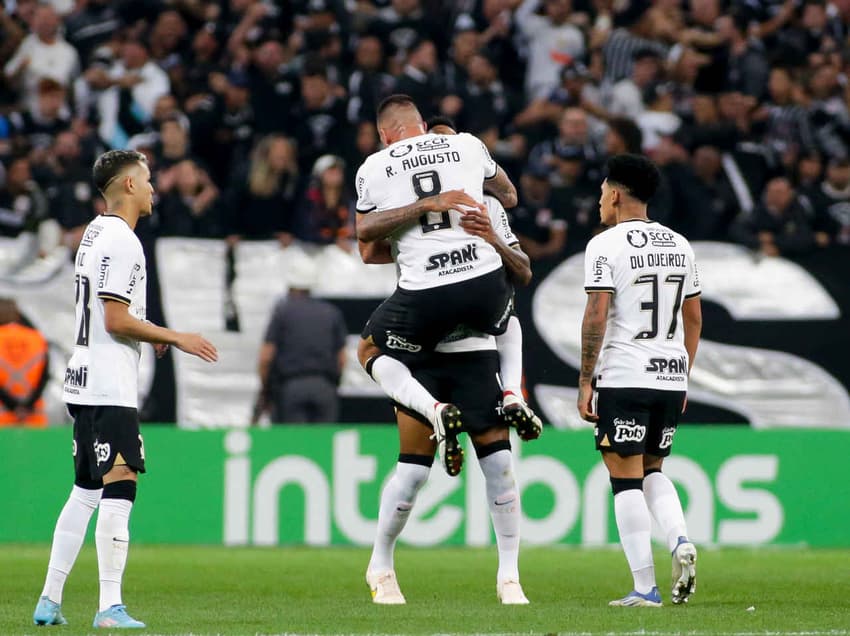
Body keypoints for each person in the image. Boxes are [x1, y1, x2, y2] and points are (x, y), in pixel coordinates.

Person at [33, 149, 218, 628]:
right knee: (121, 485)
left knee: (85, 491)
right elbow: (115, 319)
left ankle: (50, 600)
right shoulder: (123, 241)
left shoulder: (94, 232)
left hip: (84, 374)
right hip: (109, 382)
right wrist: (175, 336)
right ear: (130, 186)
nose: (155, 188)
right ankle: (108, 607)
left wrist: (147, 328)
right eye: (149, 179)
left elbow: (109, 313)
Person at [358, 156, 535, 605]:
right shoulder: (403, 204)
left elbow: (523, 271)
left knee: (499, 465)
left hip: (474, 350)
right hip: (423, 353)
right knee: (414, 471)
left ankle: (510, 577)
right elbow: (367, 249)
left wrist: (491, 237)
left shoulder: (487, 208)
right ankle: (381, 565)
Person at [354, 94, 535, 477]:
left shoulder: (376, 168)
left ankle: (435, 411)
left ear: (385, 135)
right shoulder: (469, 147)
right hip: (483, 309)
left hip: (425, 310)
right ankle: (513, 395)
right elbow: (511, 195)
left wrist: (417, 218)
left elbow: (366, 245)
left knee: (371, 349)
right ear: (423, 128)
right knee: (508, 318)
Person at [577, 154, 702, 607]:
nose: (598, 202)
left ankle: (645, 587)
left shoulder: (604, 245)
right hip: (670, 376)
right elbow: (693, 318)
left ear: (613, 194)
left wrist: (586, 378)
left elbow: (597, 313)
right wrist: (682, 373)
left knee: (624, 479)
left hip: (625, 373)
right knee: (653, 469)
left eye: (601, 194)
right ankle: (680, 539)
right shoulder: (680, 244)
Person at [257, 254, 347, 424]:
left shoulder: (283, 312)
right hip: (325, 387)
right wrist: (332, 386)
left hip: (291, 388)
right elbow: (342, 358)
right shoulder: (331, 312)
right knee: (324, 446)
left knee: (295, 444)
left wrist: (265, 390)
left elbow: (266, 356)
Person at [0, 297, 49, 426]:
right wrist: (27, 405)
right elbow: (45, 376)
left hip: (3, 418)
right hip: (33, 416)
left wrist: (13, 406)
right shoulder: (37, 338)